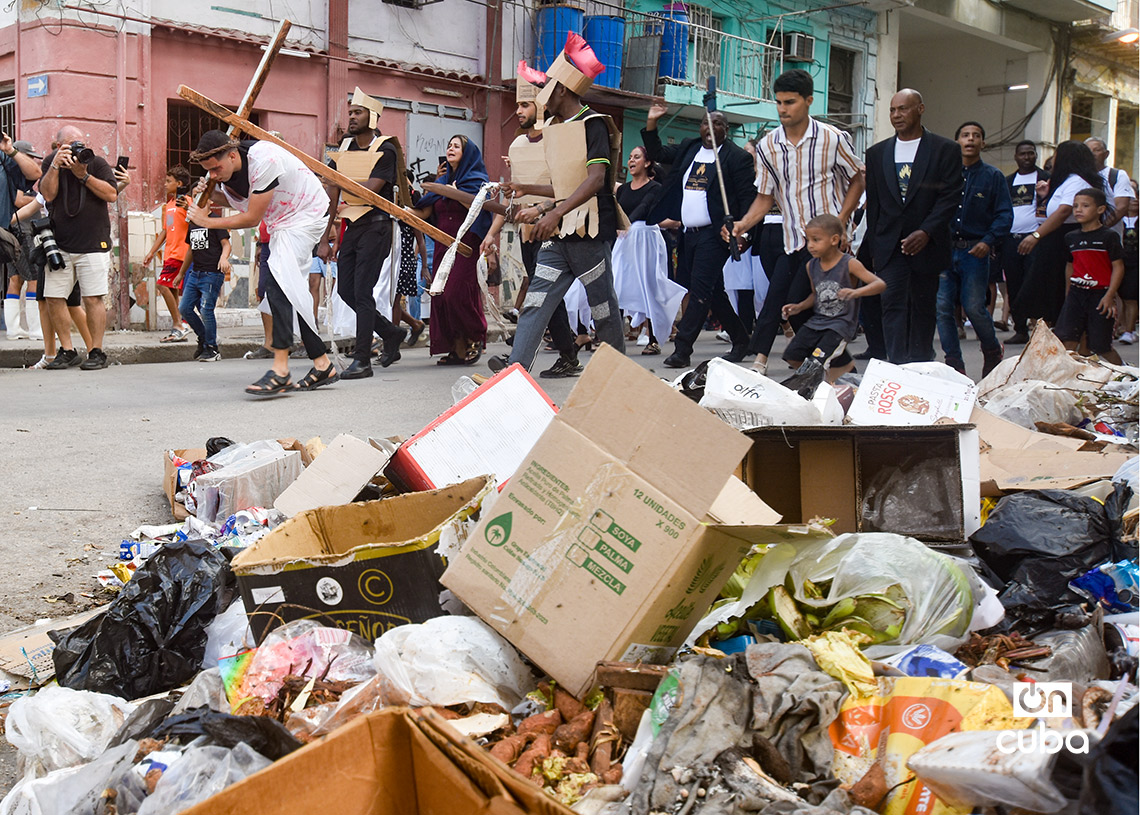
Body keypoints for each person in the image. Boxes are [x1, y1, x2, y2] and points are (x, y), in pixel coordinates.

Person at [492, 34, 627, 372]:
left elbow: (596, 180)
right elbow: (563, 185)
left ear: (563, 90)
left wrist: (553, 213)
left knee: (602, 306)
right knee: (536, 301)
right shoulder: (554, 127)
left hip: (590, 229)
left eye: (547, 86)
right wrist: (529, 191)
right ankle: (515, 370)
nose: (541, 96)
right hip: (561, 229)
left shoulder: (593, 124)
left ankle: (618, 373)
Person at [729, 70, 865, 374]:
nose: (782, 109)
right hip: (792, 240)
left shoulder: (832, 138)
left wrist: (841, 221)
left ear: (808, 101)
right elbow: (765, 198)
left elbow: (858, 179)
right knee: (789, 304)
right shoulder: (768, 146)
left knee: (806, 305)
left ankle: (777, 363)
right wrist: (742, 225)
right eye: (778, 102)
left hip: (828, 245)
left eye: (789, 102)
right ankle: (839, 369)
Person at [187, 130, 335, 394]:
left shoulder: (264, 160)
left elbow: (252, 217)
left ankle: (280, 370)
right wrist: (211, 195)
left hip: (306, 214)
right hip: (282, 223)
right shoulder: (228, 171)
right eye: (207, 171)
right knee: (289, 288)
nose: (213, 175)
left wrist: (206, 221)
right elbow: (243, 201)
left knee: (278, 282)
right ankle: (322, 363)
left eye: (215, 168)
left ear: (233, 155)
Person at [481, 66, 581, 377]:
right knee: (546, 296)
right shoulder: (516, 146)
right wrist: (492, 234)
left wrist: (543, 211)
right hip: (526, 232)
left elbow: (569, 186)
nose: (519, 111)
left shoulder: (559, 139)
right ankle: (568, 355)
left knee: (542, 294)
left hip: (556, 227)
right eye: (518, 106)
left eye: (525, 105)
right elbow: (512, 199)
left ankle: (519, 360)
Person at [642, 99, 754, 369]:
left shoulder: (737, 157)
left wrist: (742, 231)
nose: (710, 127)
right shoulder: (690, 148)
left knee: (700, 290)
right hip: (688, 234)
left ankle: (682, 350)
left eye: (717, 123)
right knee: (712, 291)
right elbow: (656, 152)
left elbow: (748, 197)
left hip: (716, 235)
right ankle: (741, 340)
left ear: (725, 129)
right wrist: (652, 121)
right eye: (706, 122)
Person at [863, 90, 963, 364]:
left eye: (903, 109)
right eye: (893, 110)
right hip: (889, 246)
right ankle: (896, 366)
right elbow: (875, 203)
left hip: (927, 244)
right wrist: (874, 246)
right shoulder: (877, 153)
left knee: (922, 307)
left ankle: (919, 362)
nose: (897, 115)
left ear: (920, 108)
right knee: (891, 304)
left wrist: (927, 231)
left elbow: (950, 195)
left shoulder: (945, 149)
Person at [322, 88, 413, 378]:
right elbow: (333, 192)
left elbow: (371, 191)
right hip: (352, 226)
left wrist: (336, 178)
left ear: (372, 117)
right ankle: (390, 332)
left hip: (377, 226)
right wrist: (326, 237)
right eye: (350, 112)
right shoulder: (344, 147)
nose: (351, 117)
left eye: (357, 112)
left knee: (362, 292)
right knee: (346, 290)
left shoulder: (385, 148)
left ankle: (362, 360)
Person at [935, 122, 1013, 378]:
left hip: (975, 251)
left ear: (983, 143)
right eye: (965, 135)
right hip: (945, 250)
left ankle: (992, 349)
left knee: (973, 306)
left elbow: (1004, 215)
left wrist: (987, 241)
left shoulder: (993, 177)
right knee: (943, 306)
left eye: (976, 136)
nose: (970, 139)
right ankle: (954, 362)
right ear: (956, 140)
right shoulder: (944, 175)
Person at [39, 125, 118, 370]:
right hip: (60, 244)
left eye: (80, 143)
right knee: (53, 297)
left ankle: (96, 351)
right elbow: (48, 194)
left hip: (93, 243)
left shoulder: (96, 162)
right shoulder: (51, 162)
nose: (77, 149)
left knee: (93, 298)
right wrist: (55, 166)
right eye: (71, 144)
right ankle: (68, 350)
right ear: (59, 145)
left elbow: (112, 194)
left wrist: (83, 174)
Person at [410, 135, 492, 365]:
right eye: (449, 146)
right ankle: (456, 347)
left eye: (456, 146)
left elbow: (479, 209)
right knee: (441, 296)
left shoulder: (477, 180)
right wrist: (402, 210)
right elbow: (425, 213)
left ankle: (475, 337)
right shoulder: (442, 181)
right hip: (442, 245)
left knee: (458, 292)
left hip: (466, 244)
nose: (451, 149)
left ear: (467, 153)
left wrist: (454, 193)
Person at [780, 214, 885, 382]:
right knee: (792, 355)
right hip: (818, 322)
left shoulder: (849, 263)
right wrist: (799, 306)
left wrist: (856, 292)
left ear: (834, 240)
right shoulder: (811, 265)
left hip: (840, 325)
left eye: (816, 240)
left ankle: (816, 387)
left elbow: (879, 284)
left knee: (818, 362)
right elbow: (816, 295)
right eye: (808, 240)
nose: (810, 246)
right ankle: (845, 369)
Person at [1013, 140, 1107, 326]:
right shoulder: (1067, 182)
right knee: (1043, 289)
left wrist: (1036, 235)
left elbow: (1063, 211)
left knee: (1052, 289)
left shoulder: (1076, 182)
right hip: (1055, 238)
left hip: (1061, 238)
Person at [612, 145, 684, 356]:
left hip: (646, 239)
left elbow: (643, 207)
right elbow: (616, 210)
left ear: (647, 162)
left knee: (649, 286)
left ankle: (654, 339)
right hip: (625, 240)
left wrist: (626, 223)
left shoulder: (655, 188)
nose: (631, 160)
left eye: (637, 157)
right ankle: (614, 340)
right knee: (616, 285)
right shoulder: (623, 189)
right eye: (630, 157)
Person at [1053, 187, 1124, 365]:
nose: (1078, 209)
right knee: (1067, 340)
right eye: (1075, 205)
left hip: (1100, 295)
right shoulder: (1071, 237)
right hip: (1077, 294)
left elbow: (1118, 267)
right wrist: (1069, 294)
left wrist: (1110, 295)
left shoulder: (1109, 237)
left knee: (1101, 346)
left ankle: (1128, 376)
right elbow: (1070, 266)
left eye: (1085, 206)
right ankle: (1072, 380)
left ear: (1100, 209)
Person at [1002, 140, 1049, 345]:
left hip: (1036, 239)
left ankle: (1040, 328)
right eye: (1023, 154)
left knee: (1036, 283)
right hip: (1011, 240)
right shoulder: (1007, 181)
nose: (1027, 157)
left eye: (1031, 153)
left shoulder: (1046, 179)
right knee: (1014, 284)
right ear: (1016, 156)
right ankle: (1020, 328)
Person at [142, 166, 193, 343]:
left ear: (179, 184)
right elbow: (165, 231)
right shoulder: (169, 206)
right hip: (169, 254)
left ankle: (179, 324)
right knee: (171, 290)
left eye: (168, 181)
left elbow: (195, 221)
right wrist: (151, 252)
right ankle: (179, 327)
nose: (165, 184)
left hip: (181, 253)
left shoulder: (187, 202)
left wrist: (188, 208)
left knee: (162, 285)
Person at [175, 206, 231, 361]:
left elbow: (226, 244)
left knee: (206, 309)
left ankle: (212, 349)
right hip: (195, 273)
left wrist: (224, 258)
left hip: (212, 273)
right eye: (195, 196)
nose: (197, 201)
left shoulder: (215, 220)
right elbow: (191, 250)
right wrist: (181, 273)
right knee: (184, 308)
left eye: (201, 196)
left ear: (210, 200)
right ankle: (204, 338)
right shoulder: (193, 222)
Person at [2, 136, 42, 340]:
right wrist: (38, 199)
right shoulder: (12, 170)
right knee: (34, 278)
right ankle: (35, 329)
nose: (33, 161)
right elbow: (17, 198)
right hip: (22, 231)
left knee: (15, 279)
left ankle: (13, 329)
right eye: (30, 156)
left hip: (12, 231)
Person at [1085, 137, 1135, 233]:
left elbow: (1121, 207)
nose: (1092, 154)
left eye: (1097, 150)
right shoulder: (1077, 176)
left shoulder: (1117, 175)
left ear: (1106, 154)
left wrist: (1098, 229)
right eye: (1088, 151)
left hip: (1110, 236)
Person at [1118, 182, 1138, 345]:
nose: (1134, 201)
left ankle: (1129, 330)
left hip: (1136, 263)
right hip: (1119, 261)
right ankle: (1120, 327)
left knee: (1131, 296)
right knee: (1119, 296)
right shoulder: (1117, 220)